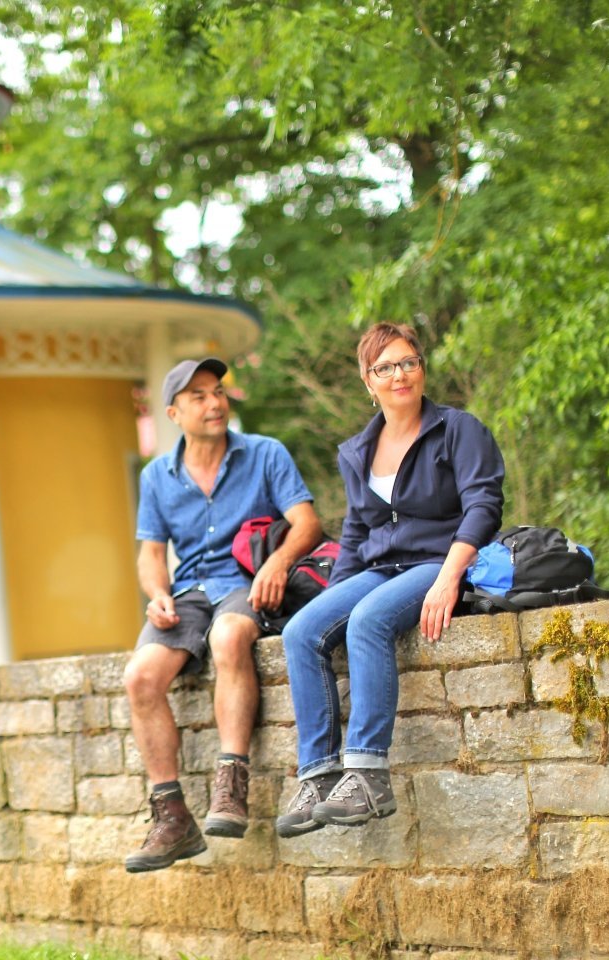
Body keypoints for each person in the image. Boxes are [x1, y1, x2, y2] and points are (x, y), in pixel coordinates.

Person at [275, 322, 504, 837]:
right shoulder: (356, 450)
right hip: (380, 567)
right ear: (368, 381)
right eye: (385, 367)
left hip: (439, 561)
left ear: (421, 369)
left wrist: (450, 577)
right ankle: (319, 775)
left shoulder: (457, 429)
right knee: (301, 631)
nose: (399, 374)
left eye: (408, 362)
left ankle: (368, 775)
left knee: (370, 621)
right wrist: (330, 602)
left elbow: (484, 505)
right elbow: (356, 533)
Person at [123, 357, 323, 873]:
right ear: (174, 413)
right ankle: (172, 818)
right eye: (199, 397)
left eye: (217, 392)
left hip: (245, 583)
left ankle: (232, 786)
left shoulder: (264, 454)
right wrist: (157, 592)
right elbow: (150, 552)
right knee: (140, 677)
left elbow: (306, 523)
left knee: (230, 636)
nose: (214, 403)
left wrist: (278, 562)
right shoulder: (156, 477)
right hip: (187, 590)